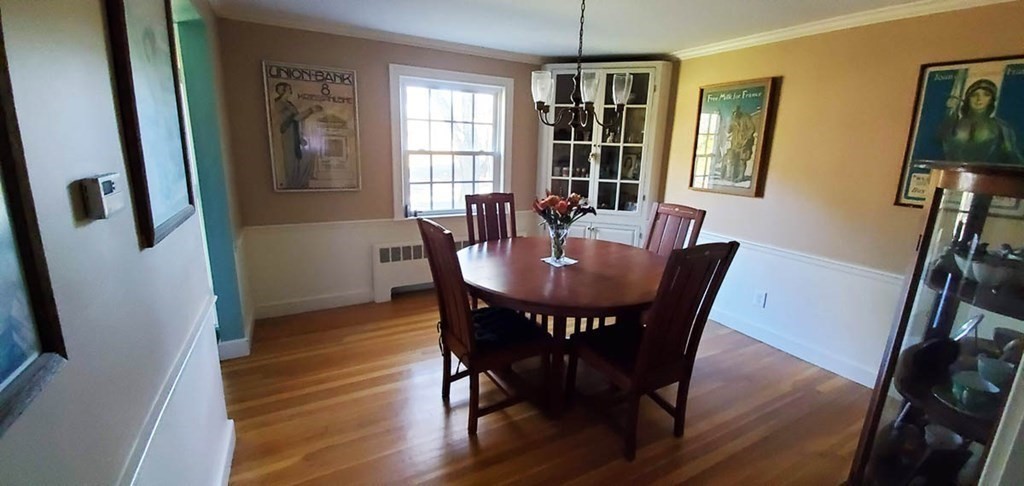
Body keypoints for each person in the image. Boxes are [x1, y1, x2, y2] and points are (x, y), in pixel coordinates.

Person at [941, 79, 1023, 164]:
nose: (979, 99)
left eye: (986, 95)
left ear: (991, 99)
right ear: (968, 99)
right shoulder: (952, 124)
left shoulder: (1002, 128)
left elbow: (1014, 159)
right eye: (974, 95)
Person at [273, 82, 323, 188]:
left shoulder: (289, 104)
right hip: (287, 136)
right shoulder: (279, 104)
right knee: (291, 162)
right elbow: (294, 119)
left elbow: (296, 120)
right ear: (282, 91)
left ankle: (301, 181)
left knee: (307, 155)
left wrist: (300, 137)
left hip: (294, 134)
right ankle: (294, 183)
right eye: (288, 89)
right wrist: (311, 110)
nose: (290, 90)